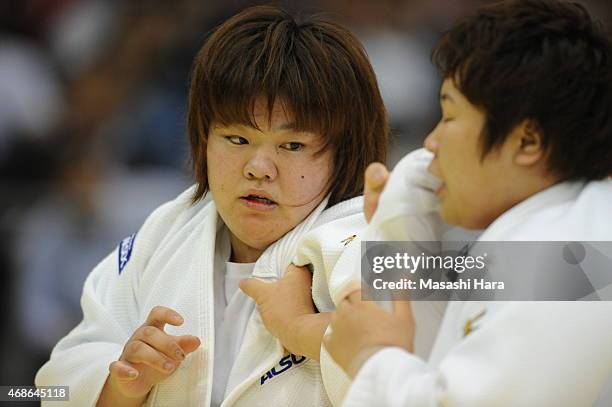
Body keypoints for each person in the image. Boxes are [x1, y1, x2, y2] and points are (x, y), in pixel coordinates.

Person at [244, 0, 612, 405]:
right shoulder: (567, 242)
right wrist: (400, 220)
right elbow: (444, 288)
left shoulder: (582, 252)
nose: (432, 142)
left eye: (450, 117)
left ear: (527, 141)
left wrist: (369, 358)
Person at [35, 6, 393, 407]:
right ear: (202, 139)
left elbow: (473, 284)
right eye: (237, 139)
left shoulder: (362, 231)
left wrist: (306, 330)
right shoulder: (166, 231)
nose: (259, 169)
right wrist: (122, 384)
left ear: (343, 154)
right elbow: (52, 385)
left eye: (292, 145)